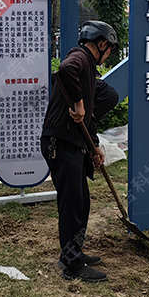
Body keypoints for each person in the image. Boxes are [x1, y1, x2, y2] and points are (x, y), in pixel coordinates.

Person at [40, 20, 119, 282]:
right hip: (60, 143)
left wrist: (93, 146)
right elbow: (65, 69)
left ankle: (75, 252)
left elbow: (87, 120)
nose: (108, 55)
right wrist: (78, 102)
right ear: (102, 44)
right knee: (72, 204)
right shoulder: (81, 57)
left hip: (73, 142)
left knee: (81, 202)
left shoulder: (89, 75)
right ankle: (72, 265)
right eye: (110, 49)